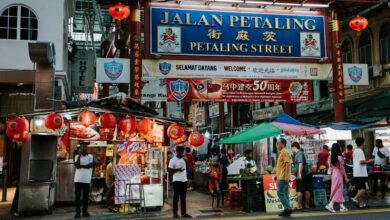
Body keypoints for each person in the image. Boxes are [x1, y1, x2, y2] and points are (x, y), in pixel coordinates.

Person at [168, 146, 191, 219]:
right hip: (177, 181)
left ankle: (183, 213)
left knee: (183, 198)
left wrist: (187, 180)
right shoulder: (172, 160)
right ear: (177, 152)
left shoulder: (183, 159)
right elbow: (169, 170)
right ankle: (175, 213)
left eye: (182, 152)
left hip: (184, 181)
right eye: (180, 152)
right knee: (176, 198)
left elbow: (185, 170)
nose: (182, 153)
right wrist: (178, 169)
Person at [325, 143, 349, 213]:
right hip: (339, 175)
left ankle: (342, 206)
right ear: (338, 148)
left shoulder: (330, 156)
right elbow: (342, 168)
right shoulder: (340, 157)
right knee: (339, 189)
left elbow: (328, 165)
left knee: (337, 190)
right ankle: (331, 204)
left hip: (333, 175)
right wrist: (346, 177)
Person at [351, 137, 373, 208]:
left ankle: (361, 204)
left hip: (356, 173)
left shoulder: (355, 151)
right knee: (366, 188)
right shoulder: (360, 151)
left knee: (360, 189)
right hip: (362, 173)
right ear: (363, 143)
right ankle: (355, 198)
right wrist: (369, 161)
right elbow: (362, 162)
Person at [74, 142, 94, 218]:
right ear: (80, 148)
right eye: (83, 147)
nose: (84, 148)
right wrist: (79, 155)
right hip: (78, 179)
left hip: (86, 180)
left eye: (85, 147)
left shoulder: (90, 156)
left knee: (85, 197)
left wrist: (81, 166)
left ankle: (85, 211)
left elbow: (90, 165)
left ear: (87, 148)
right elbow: (76, 165)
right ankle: (77, 212)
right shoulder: (76, 156)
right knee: (77, 197)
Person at [291, 142, 312, 210]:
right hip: (307, 174)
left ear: (294, 147)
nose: (292, 150)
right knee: (306, 189)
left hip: (302, 175)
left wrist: (299, 174)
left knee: (299, 190)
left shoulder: (299, 154)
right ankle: (307, 205)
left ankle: (299, 205)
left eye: (292, 148)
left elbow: (300, 164)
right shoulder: (300, 153)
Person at [276, 138, 293, 217]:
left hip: (283, 177)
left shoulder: (284, 152)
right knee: (285, 192)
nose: (277, 145)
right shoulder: (283, 152)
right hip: (281, 176)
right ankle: (287, 209)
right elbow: (283, 165)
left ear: (283, 144)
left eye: (278, 143)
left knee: (280, 192)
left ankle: (288, 208)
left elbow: (287, 164)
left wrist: (286, 176)